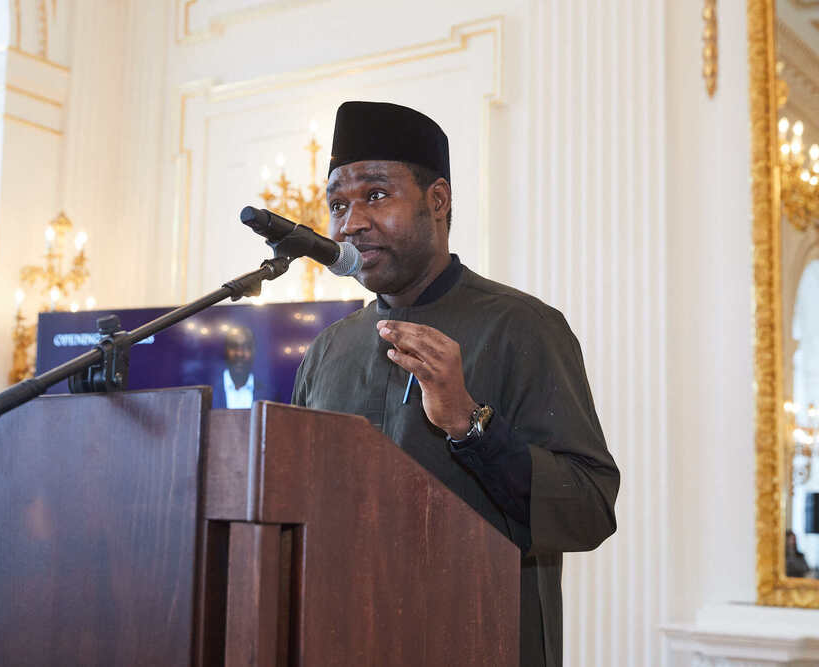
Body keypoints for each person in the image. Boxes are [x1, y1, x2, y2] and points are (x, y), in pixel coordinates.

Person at [292, 101, 619, 667]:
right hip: (346, 638)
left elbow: (589, 509)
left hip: (482, 639)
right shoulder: (327, 350)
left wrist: (470, 424)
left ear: (438, 200)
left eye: (376, 195)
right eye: (338, 205)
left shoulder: (523, 326)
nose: (350, 224)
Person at [212, 325, 271, 408]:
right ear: (225, 351)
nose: (239, 354)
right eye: (233, 347)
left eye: (246, 347)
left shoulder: (269, 394)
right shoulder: (210, 392)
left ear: (254, 352)